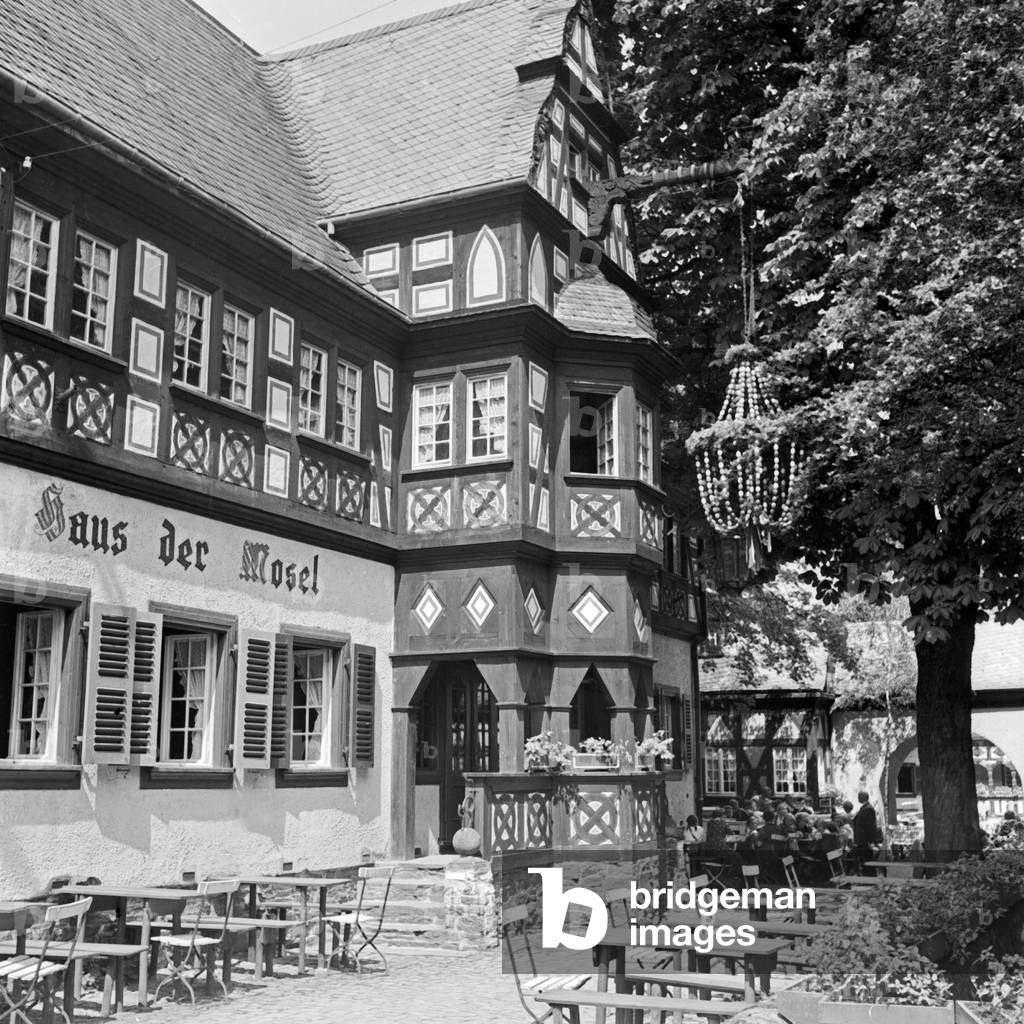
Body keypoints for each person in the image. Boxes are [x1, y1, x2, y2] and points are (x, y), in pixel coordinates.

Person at [852, 790, 880, 872]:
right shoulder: (865, 808)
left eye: (859, 796)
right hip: (862, 841)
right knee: (864, 860)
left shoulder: (868, 809)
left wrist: (869, 842)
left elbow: (870, 827)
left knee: (867, 861)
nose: (857, 798)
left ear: (863, 797)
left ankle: (869, 875)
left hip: (865, 841)